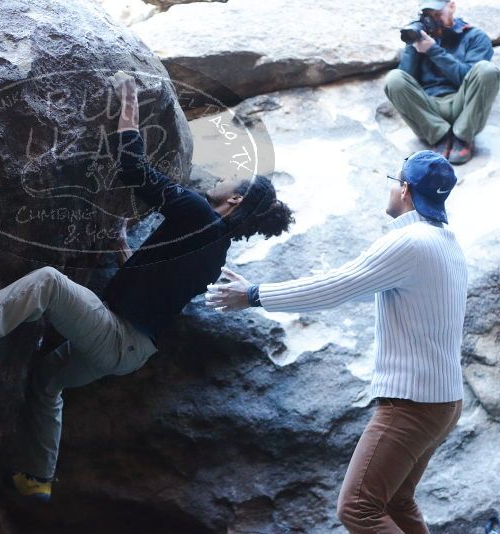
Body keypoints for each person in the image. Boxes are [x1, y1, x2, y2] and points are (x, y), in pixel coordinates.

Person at [0, 71, 294, 502]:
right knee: (47, 381)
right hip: (130, 350)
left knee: (47, 283)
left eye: (235, 177)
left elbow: (133, 168)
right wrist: (121, 245)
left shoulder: (198, 214)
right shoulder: (216, 253)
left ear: (235, 201)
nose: (224, 176)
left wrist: (129, 101)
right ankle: (38, 477)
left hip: (115, 335)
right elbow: (152, 290)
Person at [206, 151, 467, 533]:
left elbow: (336, 287)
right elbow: (356, 289)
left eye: (394, 181)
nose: (392, 189)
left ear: (405, 190)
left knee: (358, 508)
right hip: (442, 402)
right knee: (394, 502)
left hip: (412, 404)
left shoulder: (409, 243)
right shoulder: (444, 242)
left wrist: (255, 294)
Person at [384, 0, 500, 165]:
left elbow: (472, 78)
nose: (434, 20)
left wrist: (433, 51)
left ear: (452, 6)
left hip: (464, 105)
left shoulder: (474, 37)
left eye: (438, 14)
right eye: (428, 16)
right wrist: (412, 45)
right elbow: (404, 83)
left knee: (487, 69)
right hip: (429, 109)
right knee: (393, 78)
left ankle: (462, 136)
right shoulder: (421, 39)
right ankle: (440, 136)